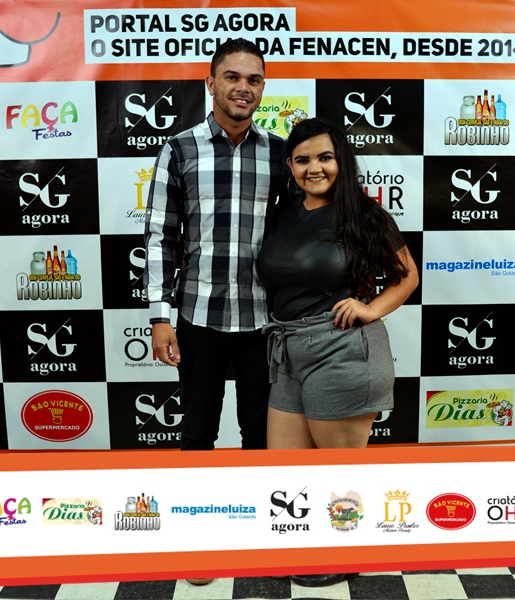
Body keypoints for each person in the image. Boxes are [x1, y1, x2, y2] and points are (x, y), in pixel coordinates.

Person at [143, 38, 287, 586]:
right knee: (198, 430)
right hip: (197, 317)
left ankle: (255, 534)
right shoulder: (179, 149)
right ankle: (199, 537)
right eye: (232, 77)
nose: (243, 88)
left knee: (259, 433)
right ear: (211, 83)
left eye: (253, 79)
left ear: (262, 88)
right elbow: (160, 237)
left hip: (263, 321)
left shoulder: (280, 153)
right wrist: (160, 317)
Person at [257, 117, 419, 587]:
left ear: (341, 161)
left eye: (325, 157)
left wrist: (372, 308)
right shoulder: (281, 213)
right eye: (302, 159)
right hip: (288, 350)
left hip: (342, 350)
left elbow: (407, 275)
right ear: (290, 166)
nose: (314, 168)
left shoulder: (363, 214)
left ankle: (346, 550)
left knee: (339, 468)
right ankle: (302, 543)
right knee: (287, 465)